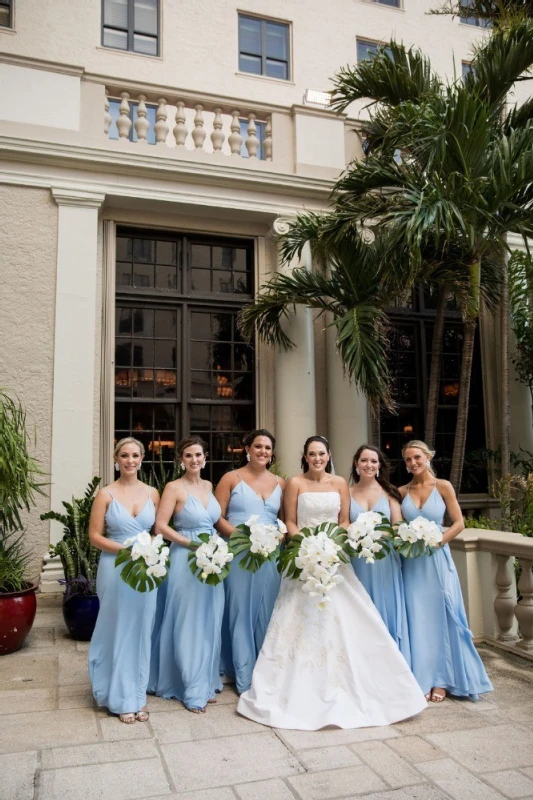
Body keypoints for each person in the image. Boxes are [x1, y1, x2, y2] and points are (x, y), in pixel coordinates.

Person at [237, 436, 427, 730]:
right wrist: (307, 547)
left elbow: (344, 521)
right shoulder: (295, 484)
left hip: (335, 556)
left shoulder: (339, 483)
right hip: (304, 558)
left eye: (321, 454)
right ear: (305, 456)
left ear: (329, 455)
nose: (317, 458)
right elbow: (289, 522)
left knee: (347, 617)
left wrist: (331, 545)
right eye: (312, 454)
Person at [399, 439, 493, 702]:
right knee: (417, 617)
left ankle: (441, 679)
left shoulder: (443, 487)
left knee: (441, 615)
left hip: (436, 559)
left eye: (417, 457)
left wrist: (436, 541)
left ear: (428, 457)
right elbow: (393, 524)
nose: (413, 463)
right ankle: (422, 677)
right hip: (412, 563)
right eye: (408, 459)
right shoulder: (401, 492)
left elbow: (459, 522)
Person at [149, 436, 224, 713]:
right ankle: (191, 687)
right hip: (185, 558)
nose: (194, 460)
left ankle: (205, 679)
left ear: (205, 458)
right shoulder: (173, 487)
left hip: (214, 560)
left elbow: (214, 521)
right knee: (187, 621)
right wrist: (190, 543)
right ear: (181, 459)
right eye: (189, 455)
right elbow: (160, 526)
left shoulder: (208, 485)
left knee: (209, 619)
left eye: (199, 455)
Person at [88, 437, 159, 724]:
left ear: (142, 459)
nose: (130, 460)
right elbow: (94, 537)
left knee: (142, 631)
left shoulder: (153, 493)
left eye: (135, 456)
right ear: (116, 460)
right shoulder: (105, 494)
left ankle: (137, 696)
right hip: (115, 567)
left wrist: (151, 550)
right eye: (125, 456)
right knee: (117, 628)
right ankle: (118, 697)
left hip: (146, 569)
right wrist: (128, 550)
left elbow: (158, 531)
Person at [215, 429, 285, 695]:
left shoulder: (281, 482)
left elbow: (285, 520)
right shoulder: (230, 479)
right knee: (240, 610)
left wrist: (276, 537)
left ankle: (264, 669)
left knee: (266, 611)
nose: (262, 452)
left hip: (270, 556)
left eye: (267, 448)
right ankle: (241, 672)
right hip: (239, 553)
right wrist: (245, 537)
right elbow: (217, 517)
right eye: (258, 446)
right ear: (247, 448)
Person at [349, 444, 411, 664]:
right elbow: (343, 524)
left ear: (379, 465)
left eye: (373, 461)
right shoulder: (347, 493)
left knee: (385, 609)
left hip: (384, 559)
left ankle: (390, 663)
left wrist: (376, 535)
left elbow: (398, 526)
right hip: (357, 562)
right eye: (364, 460)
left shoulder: (389, 492)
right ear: (356, 464)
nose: (369, 465)